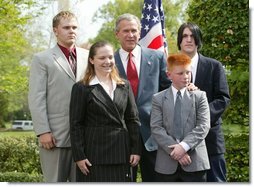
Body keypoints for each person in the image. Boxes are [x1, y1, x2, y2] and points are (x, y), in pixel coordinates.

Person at [28, 10, 88, 182]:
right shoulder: (42, 59)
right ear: (55, 30)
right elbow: (36, 98)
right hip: (55, 136)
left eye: (75, 27)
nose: (72, 31)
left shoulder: (88, 56)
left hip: (84, 137)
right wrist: (43, 131)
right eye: (66, 27)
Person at [69, 41, 142, 182]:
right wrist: (79, 156)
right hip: (93, 156)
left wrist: (136, 150)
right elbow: (76, 124)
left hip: (123, 153)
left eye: (110, 57)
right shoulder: (81, 88)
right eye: (102, 58)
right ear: (91, 60)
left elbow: (133, 119)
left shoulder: (124, 85)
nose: (107, 61)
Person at [114, 13, 172, 182]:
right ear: (117, 34)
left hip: (152, 134)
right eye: (125, 31)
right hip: (121, 135)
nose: (130, 35)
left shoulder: (157, 57)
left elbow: (168, 90)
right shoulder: (108, 61)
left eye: (134, 30)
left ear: (140, 32)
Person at [177, 22, 230, 182]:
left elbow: (223, 99)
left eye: (193, 36)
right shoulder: (170, 68)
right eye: (185, 36)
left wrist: (201, 116)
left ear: (198, 40)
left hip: (210, 141)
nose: (189, 39)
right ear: (179, 40)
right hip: (182, 143)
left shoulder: (214, 66)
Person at [150, 53, 210, 182]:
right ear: (169, 75)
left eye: (188, 72)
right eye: (180, 73)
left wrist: (184, 147)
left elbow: (203, 126)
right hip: (166, 164)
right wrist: (176, 151)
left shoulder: (200, 96)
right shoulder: (158, 98)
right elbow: (156, 128)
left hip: (195, 163)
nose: (186, 77)